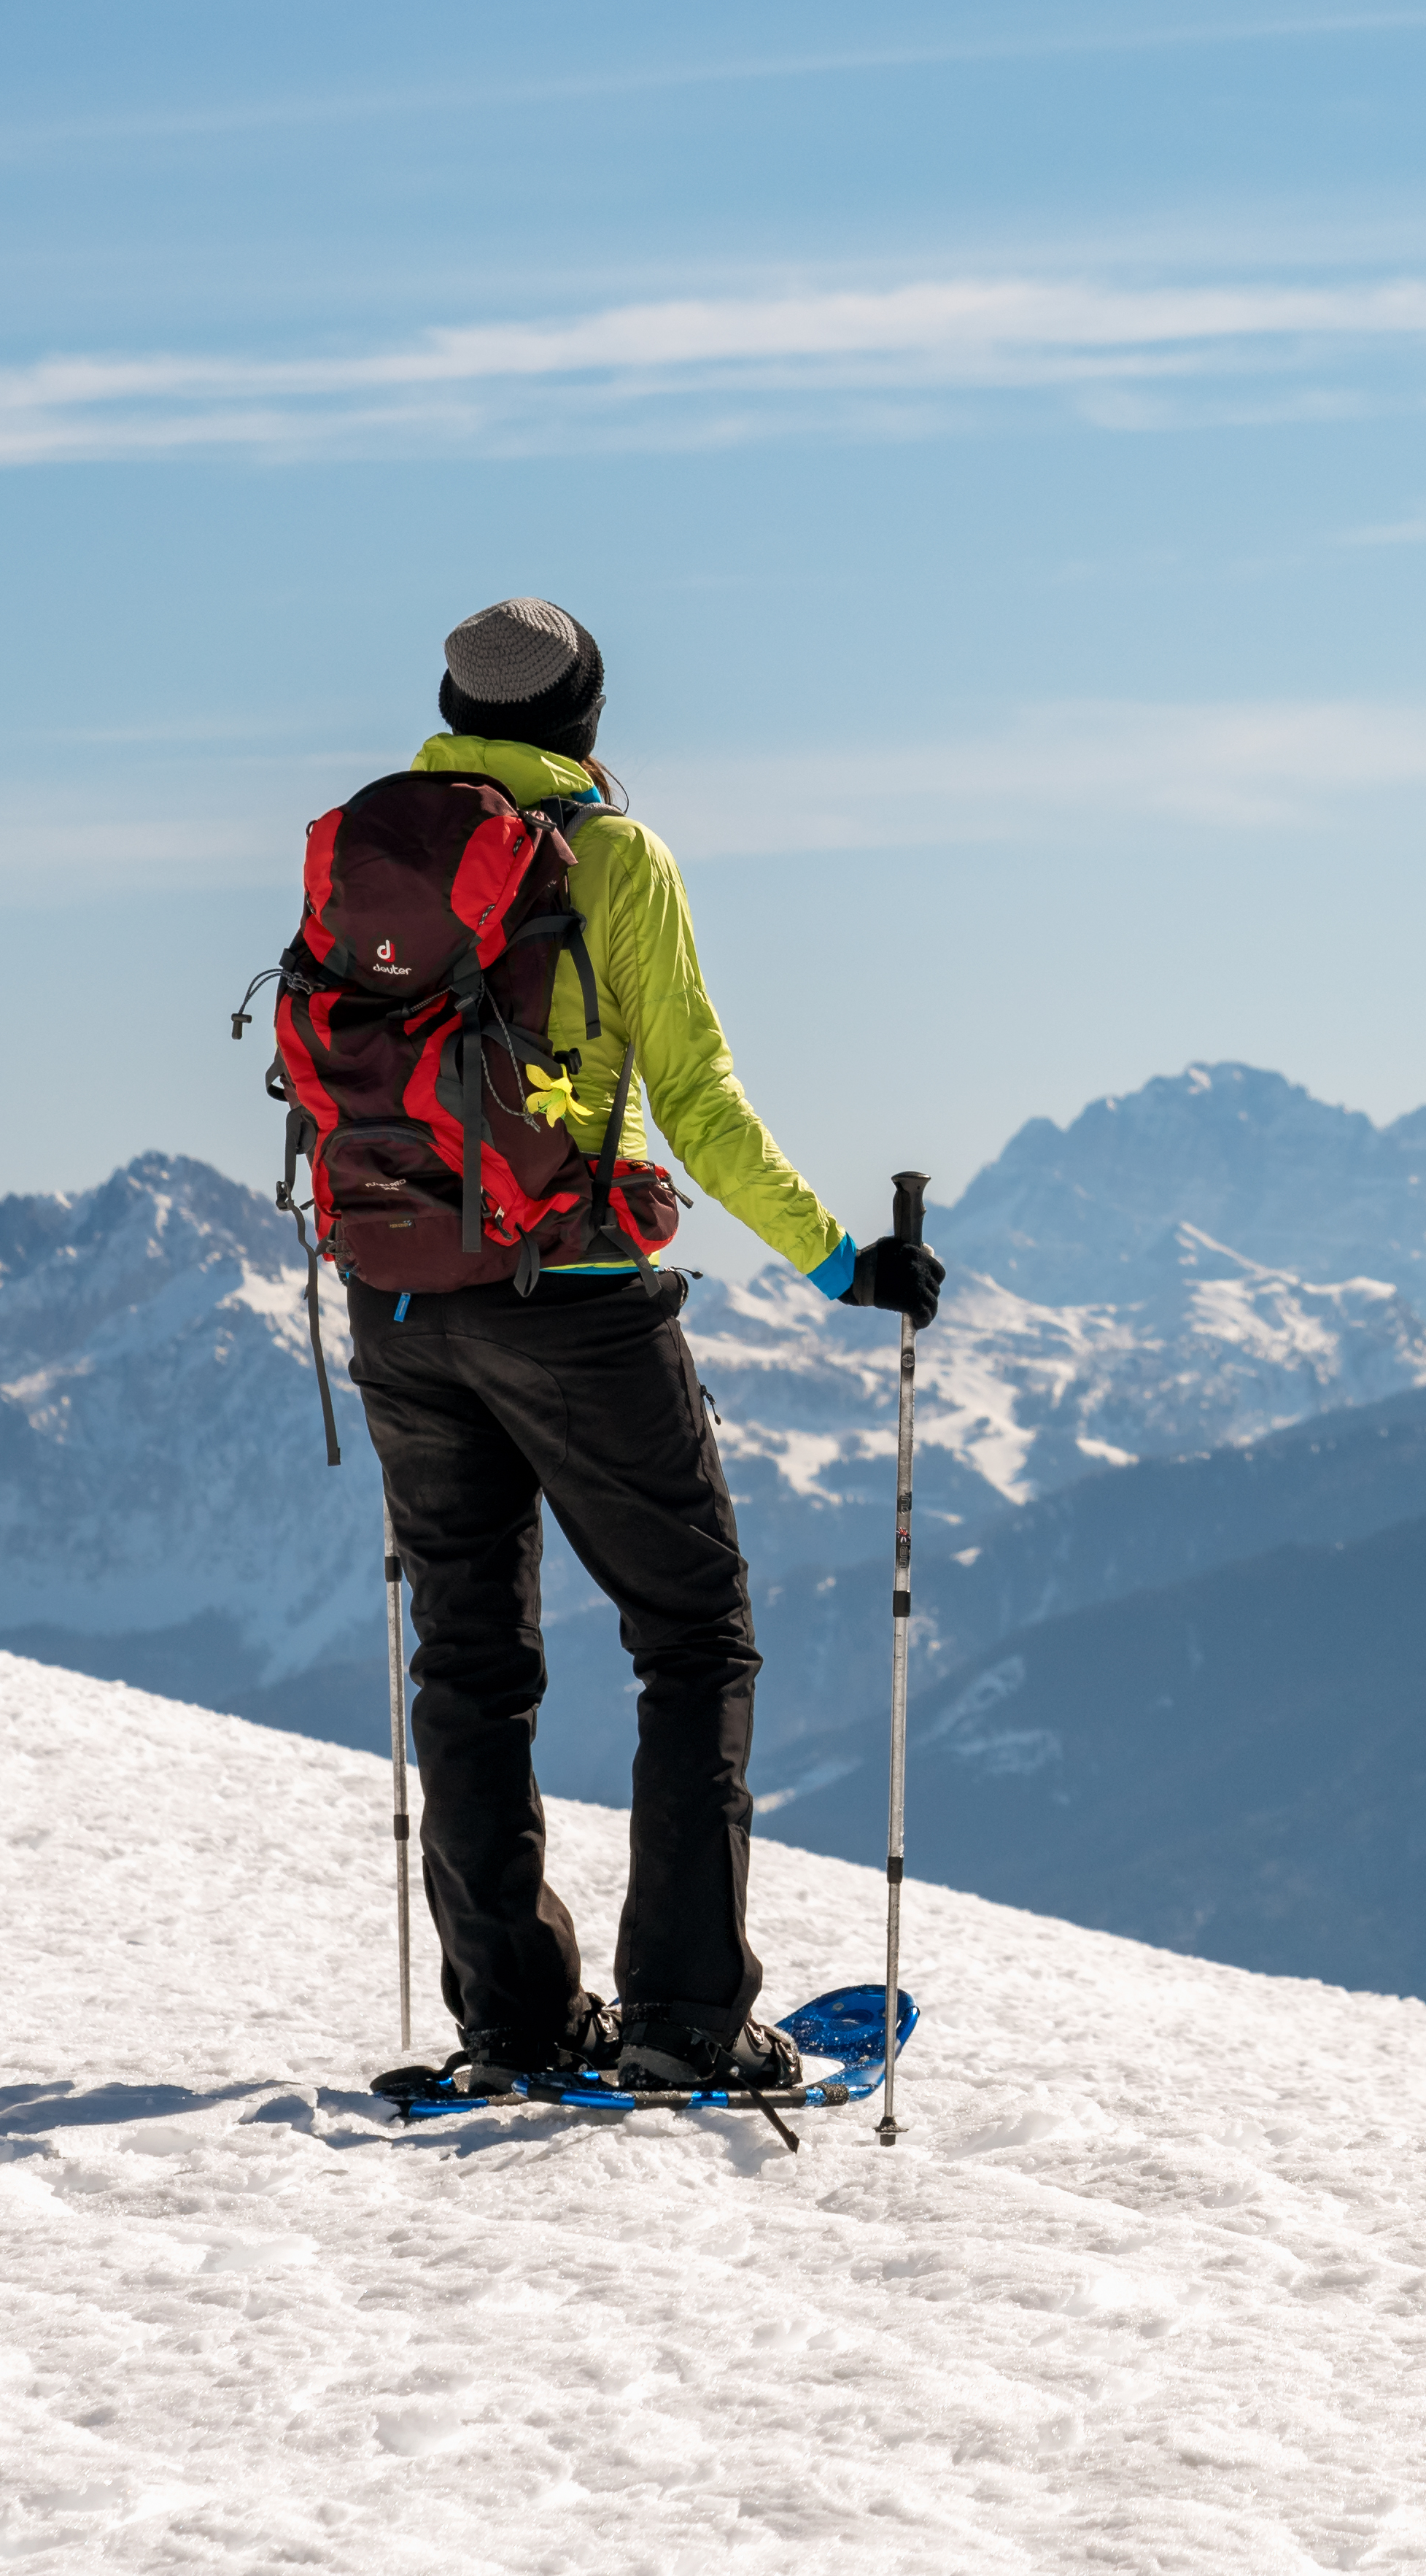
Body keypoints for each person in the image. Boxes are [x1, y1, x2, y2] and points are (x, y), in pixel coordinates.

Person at [351, 597, 943, 2095]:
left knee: (468, 1657)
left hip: (400, 1295)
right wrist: (842, 1260)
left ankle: (513, 2018)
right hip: (574, 1294)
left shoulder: (372, 844)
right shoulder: (610, 856)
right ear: (589, 716)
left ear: (452, 713)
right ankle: (684, 2015)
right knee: (692, 1634)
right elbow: (697, 1098)